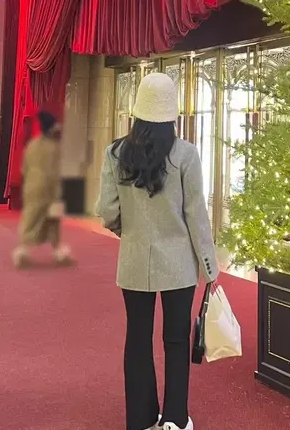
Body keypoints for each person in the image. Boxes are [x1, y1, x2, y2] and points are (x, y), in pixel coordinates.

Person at [96, 73, 218, 430]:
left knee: (137, 339)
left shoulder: (115, 152)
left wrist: (127, 231)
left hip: (134, 259)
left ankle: (140, 419)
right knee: (177, 340)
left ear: (136, 111)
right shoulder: (186, 154)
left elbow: (107, 210)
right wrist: (209, 265)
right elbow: (196, 214)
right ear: (173, 113)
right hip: (179, 263)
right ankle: (175, 420)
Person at [12, 110, 72, 268]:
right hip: (52, 190)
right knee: (53, 221)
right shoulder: (56, 147)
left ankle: (23, 251)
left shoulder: (32, 145)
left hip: (33, 188)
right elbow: (60, 169)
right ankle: (58, 251)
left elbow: (24, 168)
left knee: (31, 219)